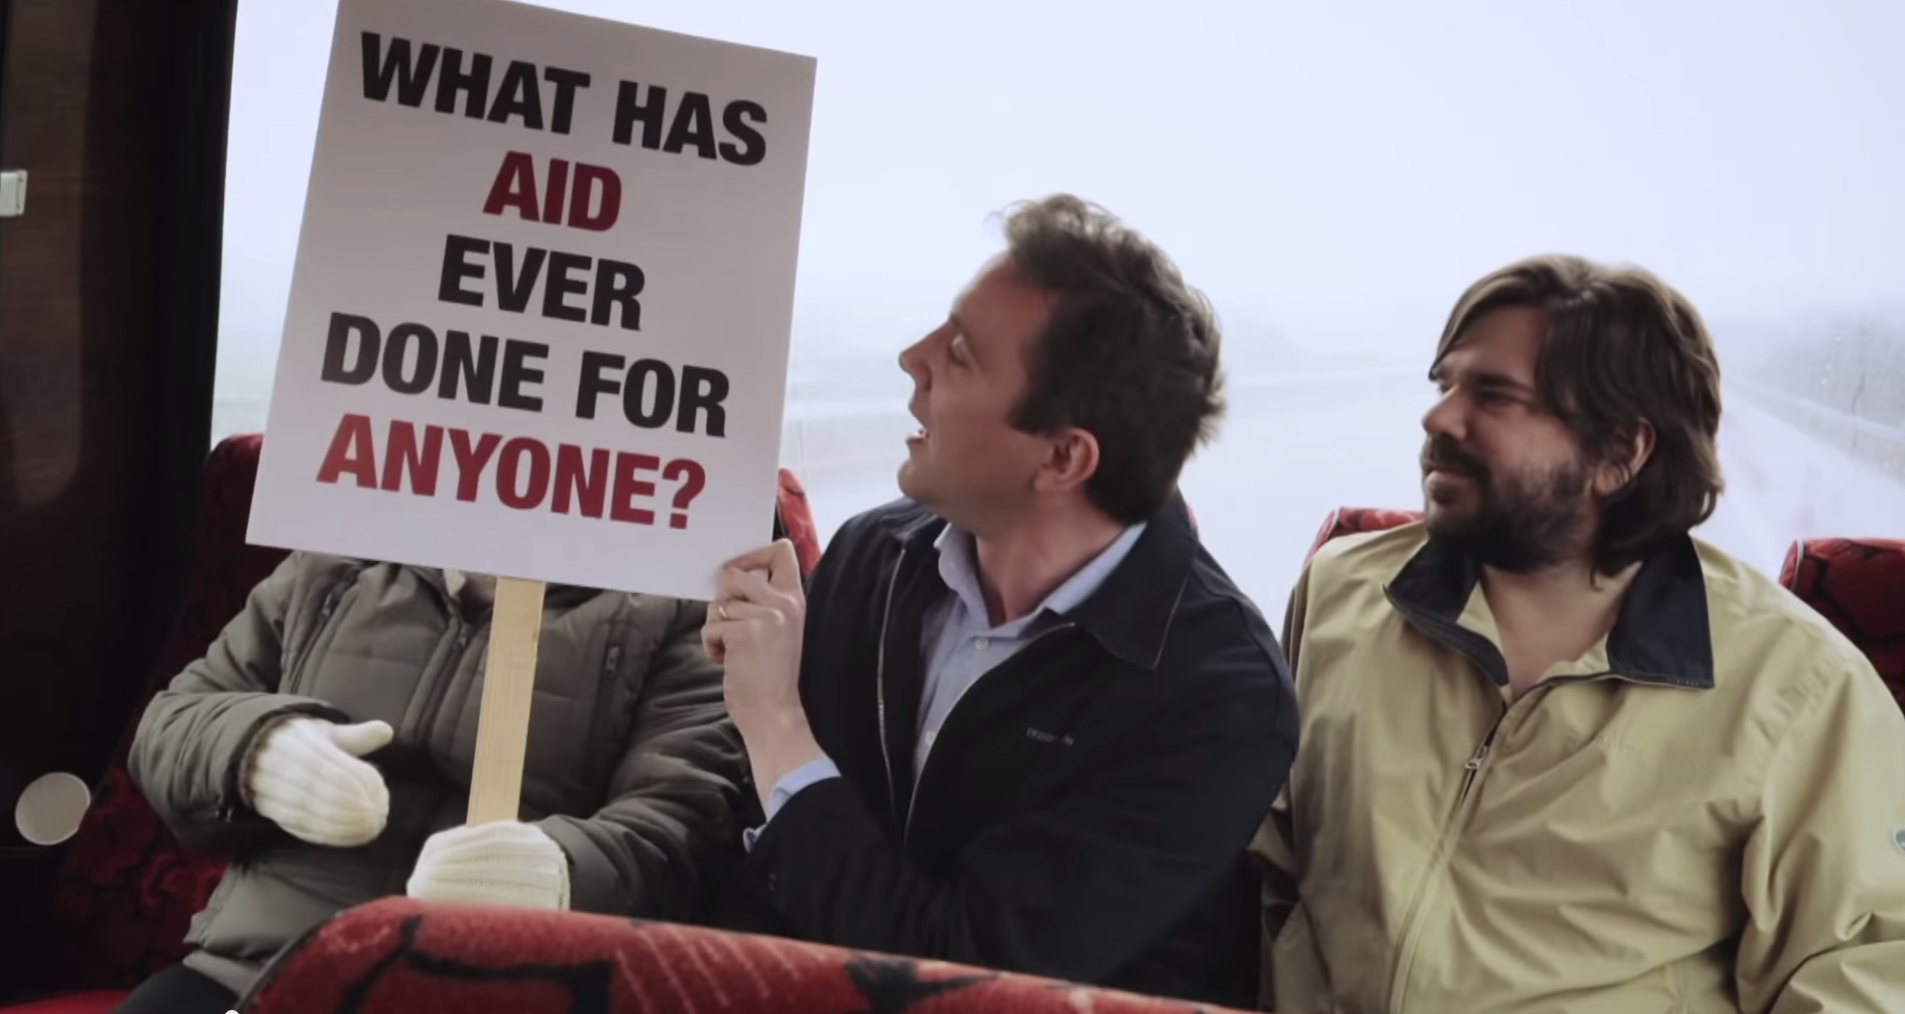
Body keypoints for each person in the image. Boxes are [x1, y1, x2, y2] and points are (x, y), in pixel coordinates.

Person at [1253, 254, 1905, 1013]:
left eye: (1493, 396)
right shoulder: (1341, 593)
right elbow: (1253, 861)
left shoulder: (1794, 687)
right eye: (1444, 385)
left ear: (1620, 453)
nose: (1438, 419)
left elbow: (1857, 977)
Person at [702, 194, 1299, 1008]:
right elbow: (756, 857)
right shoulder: (866, 556)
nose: (911, 359)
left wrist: (773, 723)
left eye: (960, 354)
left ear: (1060, 458)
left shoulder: (1220, 695)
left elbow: (965, 974)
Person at [114, 557, 747, 1013]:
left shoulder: (680, 607)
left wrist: (555, 874)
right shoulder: (335, 561)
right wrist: (256, 751)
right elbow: (174, 721)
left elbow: (682, 821)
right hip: (250, 974)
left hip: (495, 987)